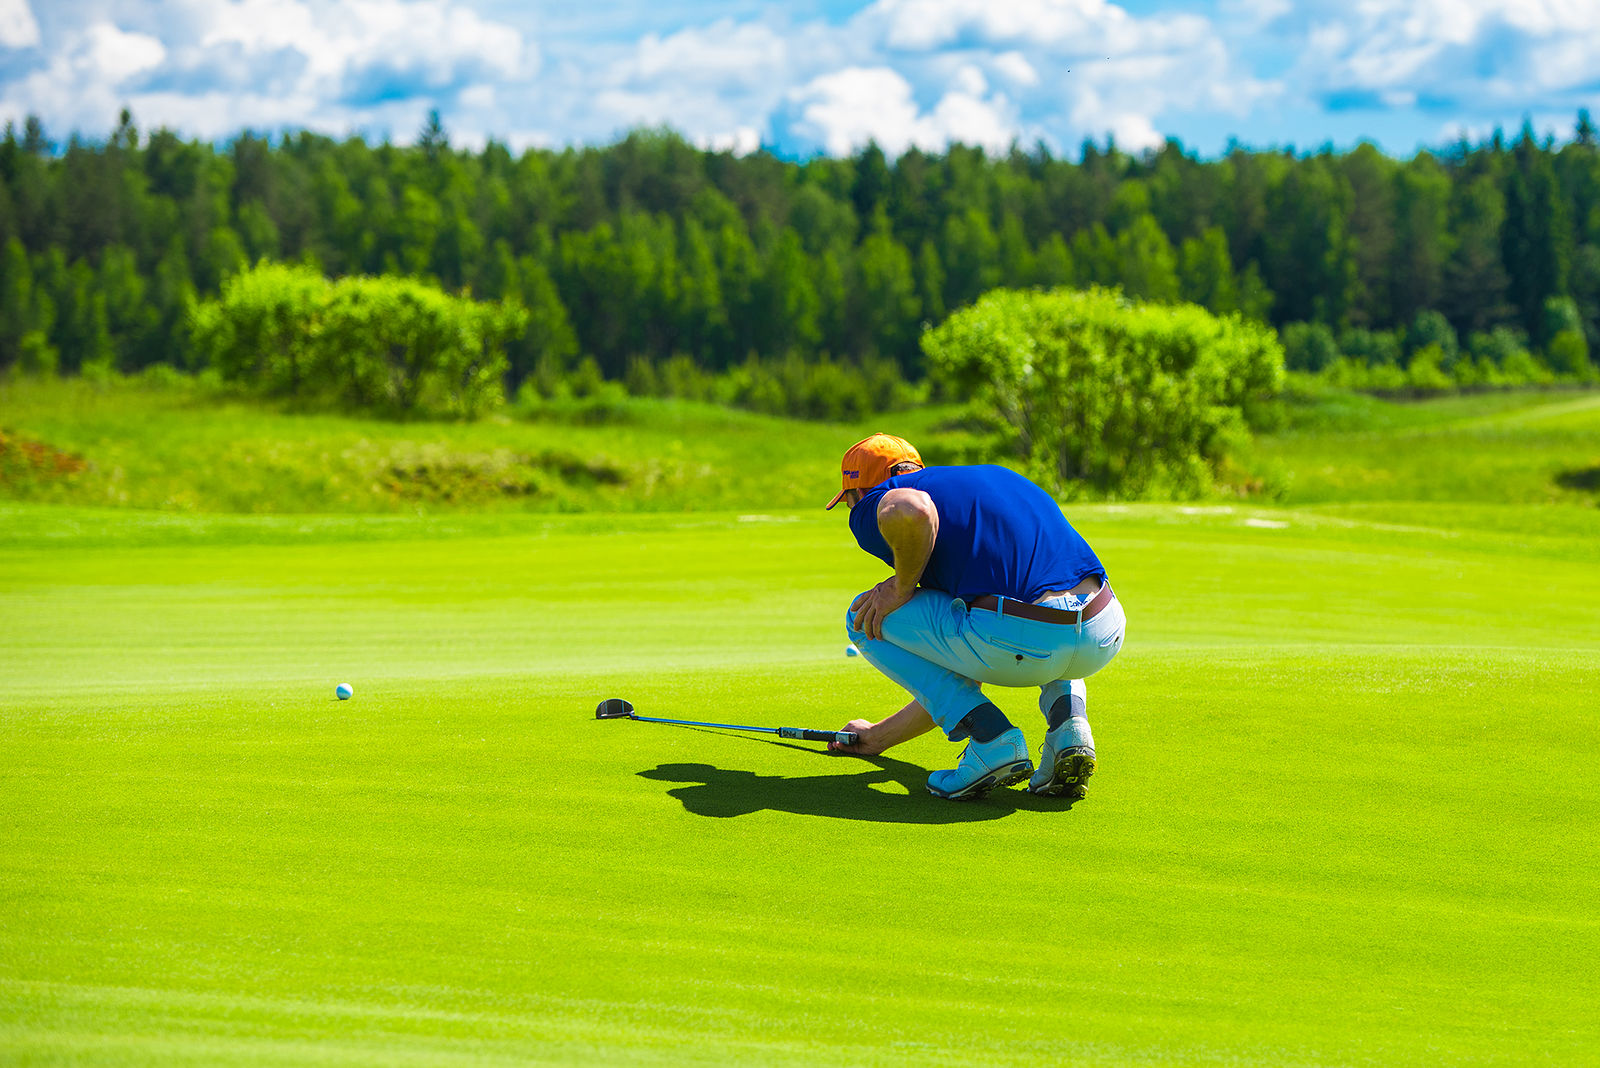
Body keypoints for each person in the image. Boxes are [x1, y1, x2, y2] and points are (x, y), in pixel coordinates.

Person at [825, 433, 1126, 802]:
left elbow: (911, 509)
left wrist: (901, 587)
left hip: (1023, 639)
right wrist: (878, 736)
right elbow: (961, 668)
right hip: (1102, 630)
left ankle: (992, 740)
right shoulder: (985, 480)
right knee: (1041, 604)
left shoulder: (878, 500)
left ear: (860, 491)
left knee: (862, 616)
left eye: (848, 502)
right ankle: (1069, 728)